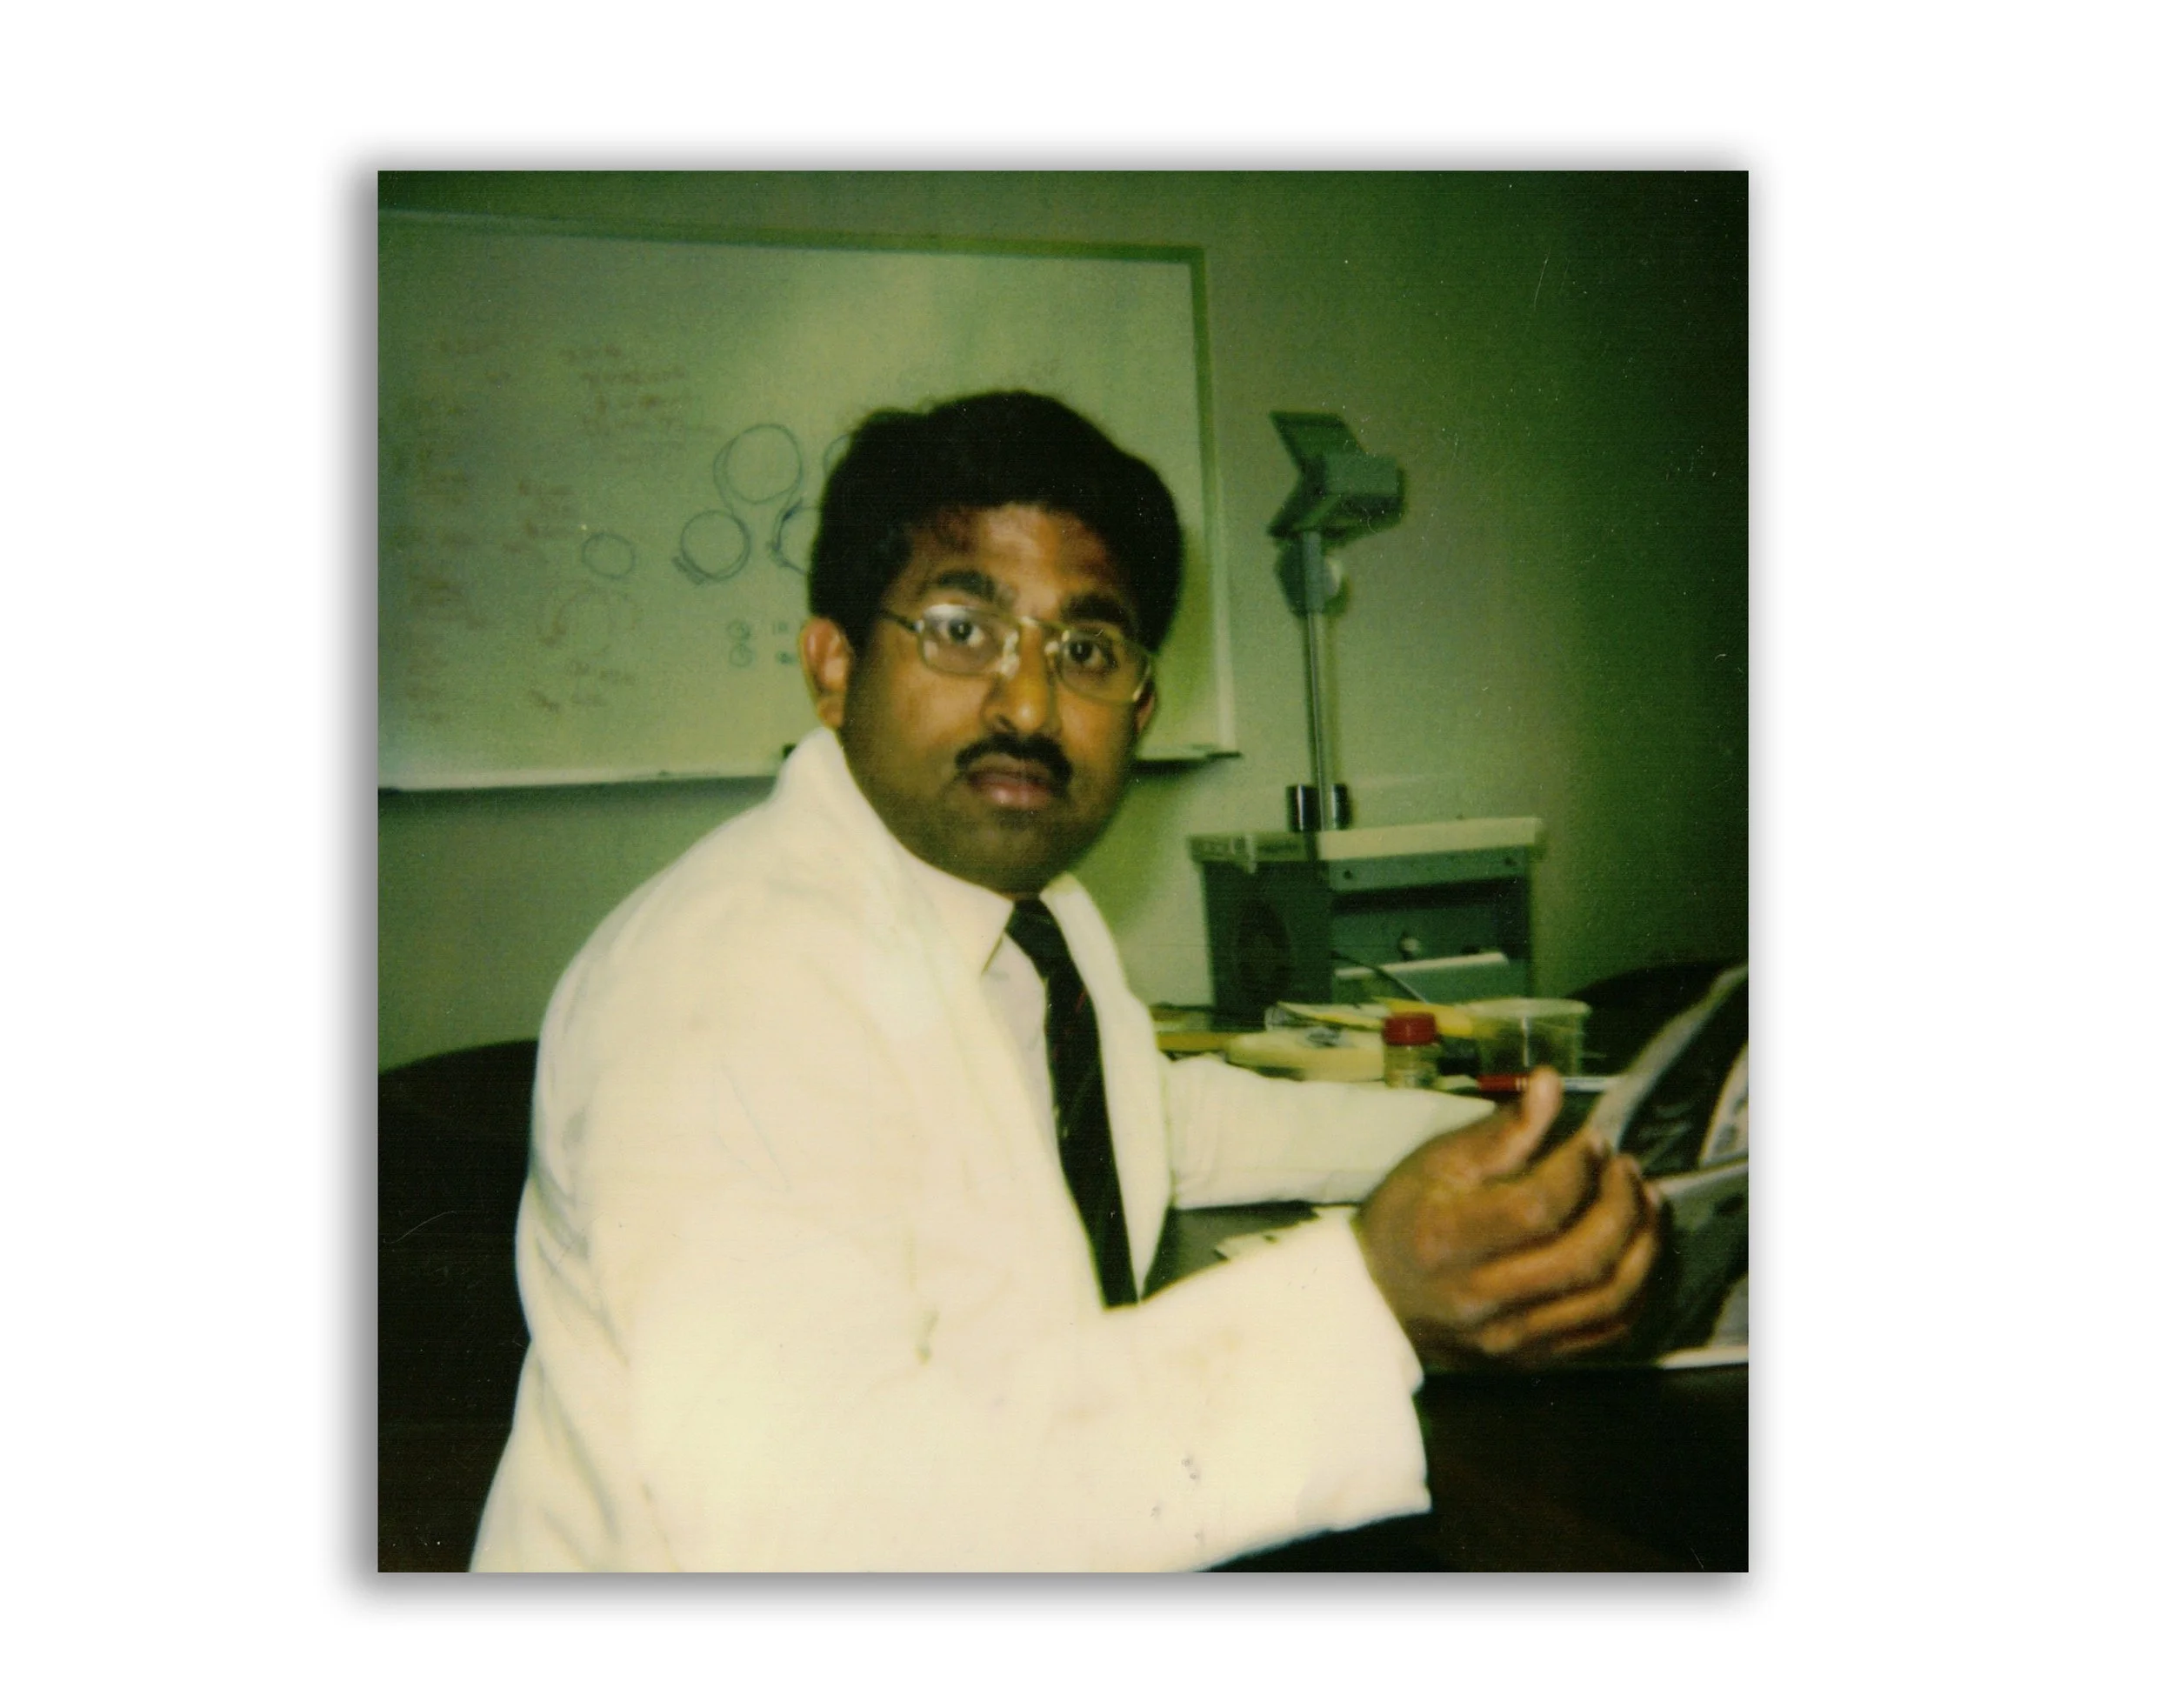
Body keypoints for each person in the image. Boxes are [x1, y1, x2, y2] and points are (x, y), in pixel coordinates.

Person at [470, 391, 1660, 1571]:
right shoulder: (729, 983)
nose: (1029, 703)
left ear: (1137, 706)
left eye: (1084, 649)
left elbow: (1165, 1115)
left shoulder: (1033, 917)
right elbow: (814, 1527)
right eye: (960, 627)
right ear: (833, 669)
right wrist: (1371, 1299)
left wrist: (1525, 1138)